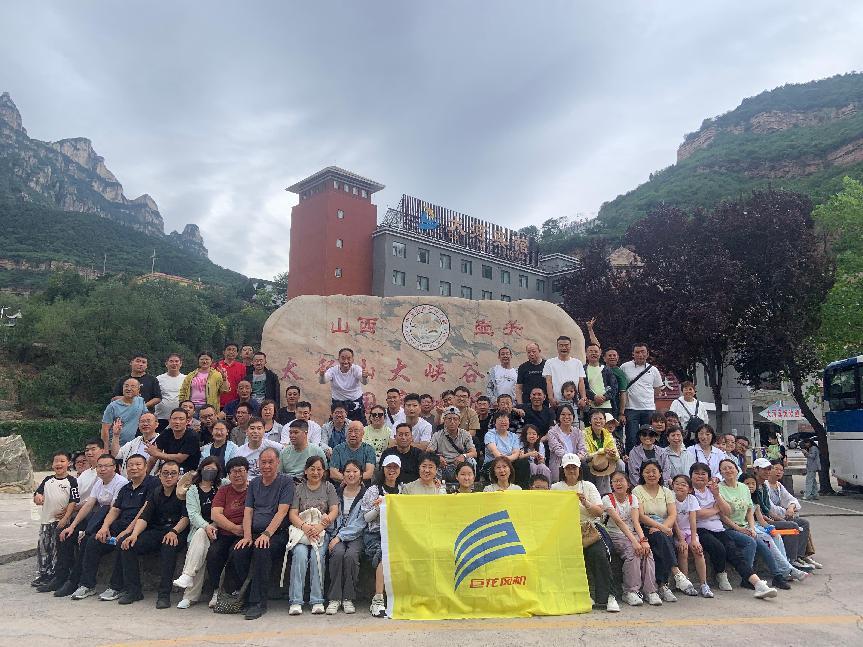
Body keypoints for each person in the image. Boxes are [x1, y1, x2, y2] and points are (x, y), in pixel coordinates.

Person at [49, 453, 147, 598]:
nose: (102, 469)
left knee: (90, 540)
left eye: (106, 466)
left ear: (115, 467)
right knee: (67, 533)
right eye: (99, 466)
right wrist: (73, 526)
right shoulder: (102, 483)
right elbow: (89, 505)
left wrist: (106, 528)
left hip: (118, 524)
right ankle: (66, 577)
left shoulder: (122, 483)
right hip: (102, 521)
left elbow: (117, 510)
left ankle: (84, 582)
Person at [689, 462, 777, 599]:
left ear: (709, 477)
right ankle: (721, 574)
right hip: (700, 528)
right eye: (696, 473)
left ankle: (758, 584)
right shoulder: (690, 492)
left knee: (734, 552)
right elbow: (698, 514)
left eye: (703, 474)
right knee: (718, 547)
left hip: (718, 528)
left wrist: (717, 496)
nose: (700, 476)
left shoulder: (712, 490)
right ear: (691, 476)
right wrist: (716, 509)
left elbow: (727, 511)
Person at [551, 453, 619, 612]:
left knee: (599, 554)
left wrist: (585, 502)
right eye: (568, 468)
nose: (571, 471)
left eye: (574, 467)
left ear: (579, 469)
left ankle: (609, 596)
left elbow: (599, 512)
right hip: (566, 531)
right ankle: (581, 595)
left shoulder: (588, 486)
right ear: (563, 470)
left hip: (590, 529)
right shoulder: (555, 488)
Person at [232, 447, 294, 620]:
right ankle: (246, 595)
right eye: (263, 462)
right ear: (258, 463)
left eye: (270, 462)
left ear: (278, 463)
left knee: (262, 550)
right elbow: (248, 511)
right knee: (238, 551)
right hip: (254, 532)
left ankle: (258, 602)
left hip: (276, 534)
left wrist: (267, 534)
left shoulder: (286, 482)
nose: (266, 466)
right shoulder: (254, 483)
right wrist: (247, 536)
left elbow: (282, 512)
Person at [117, 460, 189, 607]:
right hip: (157, 530)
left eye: (173, 473)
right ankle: (133, 591)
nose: (169, 477)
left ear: (179, 476)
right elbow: (144, 516)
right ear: (159, 475)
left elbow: (186, 517)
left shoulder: (184, 493)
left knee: (168, 547)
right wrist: (134, 534)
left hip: (177, 531)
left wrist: (174, 531)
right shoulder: (155, 492)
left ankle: (164, 595)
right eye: (165, 473)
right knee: (128, 544)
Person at [717, 458, 789, 592]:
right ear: (720, 472)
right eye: (724, 468)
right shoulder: (719, 489)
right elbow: (721, 515)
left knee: (762, 542)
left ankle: (778, 576)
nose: (728, 470)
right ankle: (747, 577)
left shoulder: (743, 487)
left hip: (745, 526)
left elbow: (750, 510)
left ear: (736, 469)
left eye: (730, 467)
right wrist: (739, 528)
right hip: (728, 528)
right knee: (750, 542)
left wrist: (751, 527)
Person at [632, 460, 694, 602]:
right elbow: (641, 516)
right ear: (642, 474)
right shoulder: (637, 491)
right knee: (661, 539)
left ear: (660, 474)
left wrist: (663, 527)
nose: (651, 474)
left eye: (654, 471)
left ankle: (663, 585)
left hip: (663, 527)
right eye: (647, 472)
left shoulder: (666, 491)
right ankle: (674, 575)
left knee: (661, 540)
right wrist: (662, 528)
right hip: (645, 528)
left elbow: (672, 514)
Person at [286, 455, 339, 615]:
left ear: (324, 471)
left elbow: (334, 510)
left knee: (317, 557)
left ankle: (317, 600)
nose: (316, 472)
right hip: (301, 531)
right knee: (300, 555)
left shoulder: (329, 487)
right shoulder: (299, 488)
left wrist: (320, 526)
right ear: (306, 471)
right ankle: (296, 601)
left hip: (321, 532)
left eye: (319, 469)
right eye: (312, 469)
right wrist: (305, 527)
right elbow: (293, 513)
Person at [602, 470, 661, 606]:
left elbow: (635, 522)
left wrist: (643, 541)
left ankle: (650, 591)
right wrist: (635, 542)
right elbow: (619, 522)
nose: (618, 483)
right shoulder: (607, 499)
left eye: (621, 480)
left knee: (647, 552)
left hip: (631, 533)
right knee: (633, 552)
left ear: (628, 484)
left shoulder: (632, 498)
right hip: (614, 534)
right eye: (615, 481)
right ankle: (630, 591)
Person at [741, 471, 810, 585]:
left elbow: (761, 520)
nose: (751, 486)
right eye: (747, 484)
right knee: (768, 539)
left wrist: (770, 528)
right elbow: (748, 519)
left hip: (757, 525)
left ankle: (785, 569)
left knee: (776, 535)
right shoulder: (741, 498)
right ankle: (788, 569)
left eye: (753, 484)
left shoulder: (755, 498)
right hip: (748, 526)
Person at [172, 456, 222, 608]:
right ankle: (190, 594)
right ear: (201, 469)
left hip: (220, 529)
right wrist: (207, 527)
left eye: (213, 470)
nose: (210, 472)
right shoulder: (193, 490)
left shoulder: (222, 485)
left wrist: (214, 525)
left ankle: (190, 579)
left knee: (205, 549)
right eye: (207, 469)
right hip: (200, 529)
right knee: (200, 538)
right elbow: (193, 515)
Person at [205, 457, 249, 605]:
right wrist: (233, 528)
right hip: (225, 532)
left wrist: (243, 530)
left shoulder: (253, 489)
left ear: (247, 472)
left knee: (236, 552)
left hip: (246, 533)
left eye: (241, 471)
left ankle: (237, 591)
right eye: (233, 472)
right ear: (228, 475)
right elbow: (215, 514)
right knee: (213, 553)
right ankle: (216, 590)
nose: (237, 474)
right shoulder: (224, 491)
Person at [361, 455, 401, 617]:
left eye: (395, 467)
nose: (392, 470)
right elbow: (366, 518)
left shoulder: (403, 490)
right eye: (388, 467)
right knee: (383, 555)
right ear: (383, 469)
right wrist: (378, 508)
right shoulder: (373, 490)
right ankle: (377, 599)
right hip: (375, 533)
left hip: (397, 533)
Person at [31, 451, 78, 588]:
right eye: (56, 461)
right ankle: (44, 574)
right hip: (46, 521)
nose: (59, 464)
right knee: (44, 548)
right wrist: (37, 497)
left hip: (61, 522)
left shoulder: (72, 481)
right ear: (52, 464)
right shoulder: (47, 480)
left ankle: (56, 574)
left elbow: (73, 500)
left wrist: (66, 517)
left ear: (69, 463)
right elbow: (38, 494)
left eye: (62, 461)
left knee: (57, 549)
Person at [326, 460, 367, 615]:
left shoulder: (366, 494)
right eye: (348, 471)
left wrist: (340, 537)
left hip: (356, 536)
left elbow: (361, 523)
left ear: (361, 474)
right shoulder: (336, 493)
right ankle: (335, 598)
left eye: (355, 471)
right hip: (337, 533)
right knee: (337, 553)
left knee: (350, 556)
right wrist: (335, 535)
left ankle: (348, 598)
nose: (351, 474)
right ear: (342, 474)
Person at [763, 461, 821, 570]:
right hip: (769, 519)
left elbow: (792, 500)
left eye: (781, 470)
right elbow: (770, 508)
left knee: (804, 523)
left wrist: (791, 507)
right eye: (776, 469)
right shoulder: (765, 485)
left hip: (781, 516)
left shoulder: (779, 485)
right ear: (769, 470)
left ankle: (800, 556)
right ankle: (792, 559)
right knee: (793, 525)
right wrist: (786, 512)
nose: (779, 472)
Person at [670, 474, 712, 597]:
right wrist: (681, 539)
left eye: (683, 484)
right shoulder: (670, 497)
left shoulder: (691, 499)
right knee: (683, 551)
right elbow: (673, 520)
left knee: (698, 551)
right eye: (677, 483)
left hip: (689, 531)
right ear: (672, 486)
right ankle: (686, 583)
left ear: (689, 489)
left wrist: (694, 539)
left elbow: (693, 520)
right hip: (676, 532)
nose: (680, 486)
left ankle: (704, 584)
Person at [620, 343, 664, 454]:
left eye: (643, 352)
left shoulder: (653, 370)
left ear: (647, 354)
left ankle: (649, 460)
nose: (640, 354)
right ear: (633, 354)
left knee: (648, 437)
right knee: (632, 438)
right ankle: (631, 460)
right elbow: (621, 386)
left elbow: (657, 389)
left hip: (648, 409)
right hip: (631, 408)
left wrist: (647, 399)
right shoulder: (625, 367)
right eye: (637, 352)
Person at [428, 406, 478, 482]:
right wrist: (437, 457)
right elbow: (429, 451)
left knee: (471, 461)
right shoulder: (437, 435)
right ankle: (437, 485)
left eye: (455, 419)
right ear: (444, 420)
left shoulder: (465, 434)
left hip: (459, 464)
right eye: (449, 419)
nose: (452, 422)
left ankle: (469, 484)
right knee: (432, 461)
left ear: (459, 421)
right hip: (443, 465)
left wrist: (464, 456)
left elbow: (474, 453)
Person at [320, 347, 369, 424]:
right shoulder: (333, 370)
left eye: (349, 358)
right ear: (338, 359)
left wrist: (365, 377)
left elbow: (364, 382)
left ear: (352, 359)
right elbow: (323, 381)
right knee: (335, 426)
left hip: (355, 403)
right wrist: (322, 375)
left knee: (359, 426)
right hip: (338, 404)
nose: (346, 361)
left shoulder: (356, 369)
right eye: (343, 358)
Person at [147, 408, 201, 474]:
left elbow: (179, 458)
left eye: (181, 419)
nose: (177, 422)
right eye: (174, 419)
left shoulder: (192, 436)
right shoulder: (166, 433)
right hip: (168, 469)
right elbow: (153, 457)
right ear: (169, 420)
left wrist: (157, 454)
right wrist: (145, 475)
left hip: (188, 472)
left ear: (187, 421)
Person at [484, 411, 529, 488]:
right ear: (494, 423)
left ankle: (522, 489)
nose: (503, 422)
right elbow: (495, 452)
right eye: (500, 420)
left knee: (523, 462)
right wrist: (506, 461)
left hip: (510, 462)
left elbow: (516, 453)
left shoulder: (514, 436)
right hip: (493, 462)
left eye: (505, 420)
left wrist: (507, 461)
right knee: (502, 466)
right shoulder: (490, 434)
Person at [582, 409, 622, 495]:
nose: (598, 421)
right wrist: (602, 451)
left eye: (601, 419)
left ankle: (619, 488)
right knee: (601, 463)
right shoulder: (584, 433)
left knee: (620, 463)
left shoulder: (608, 434)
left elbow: (617, 455)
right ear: (590, 421)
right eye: (595, 419)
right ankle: (604, 494)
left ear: (604, 421)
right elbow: (586, 454)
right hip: (589, 461)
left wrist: (613, 454)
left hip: (605, 461)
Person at [547, 404, 586, 483]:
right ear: (558, 417)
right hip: (560, 463)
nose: (566, 417)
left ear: (573, 417)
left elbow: (582, 449)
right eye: (563, 414)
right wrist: (571, 459)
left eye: (569, 414)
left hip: (576, 462)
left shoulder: (578, 432)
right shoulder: (552, 432)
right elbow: (558, 450)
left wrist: (576, 459)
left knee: (585, 466)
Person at [102, 378, 146, 447]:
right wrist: (105, 449)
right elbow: (105, 429)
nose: (129, 389)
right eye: (126, 386)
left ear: (138, 390)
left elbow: (146, 418)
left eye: (133, 386)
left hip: (132, 445)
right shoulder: (112, 406)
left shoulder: (140, 401)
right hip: (114, 445)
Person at [114, 411, 159, 476]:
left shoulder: (162, 441)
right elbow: (116, 454)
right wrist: (116, 435)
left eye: (148, 421)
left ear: (157, 424)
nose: (145, 424)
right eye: (142, 421)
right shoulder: (134, 442)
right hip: (130, 479)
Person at [584, 343, 617, 418]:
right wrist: (594, 397)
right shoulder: (583, 369)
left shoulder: (606, 370)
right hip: (590, 407)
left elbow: (614, 387)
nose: (593, 354)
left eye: (596, 351)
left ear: (600, 353)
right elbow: (582, 388)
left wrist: (604, 397)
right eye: (591, 351)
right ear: (586, 353)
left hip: (607, 407)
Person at [155, 353, 185, 431]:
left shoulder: (186, 379)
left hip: (180, 418)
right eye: (171, 361)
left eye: (176, 361)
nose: (174, 363)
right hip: (161, 417)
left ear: (181, 363)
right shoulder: (158, 379)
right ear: (166, 364)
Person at [216, 342, 248, 409]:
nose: (231, 352)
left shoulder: (242, 367)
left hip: (236, 403)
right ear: (224, 352)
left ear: (237, 353)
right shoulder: (216, 366)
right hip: (218, 403)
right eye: (229, 349)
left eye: (234, 350)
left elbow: (243, 385)